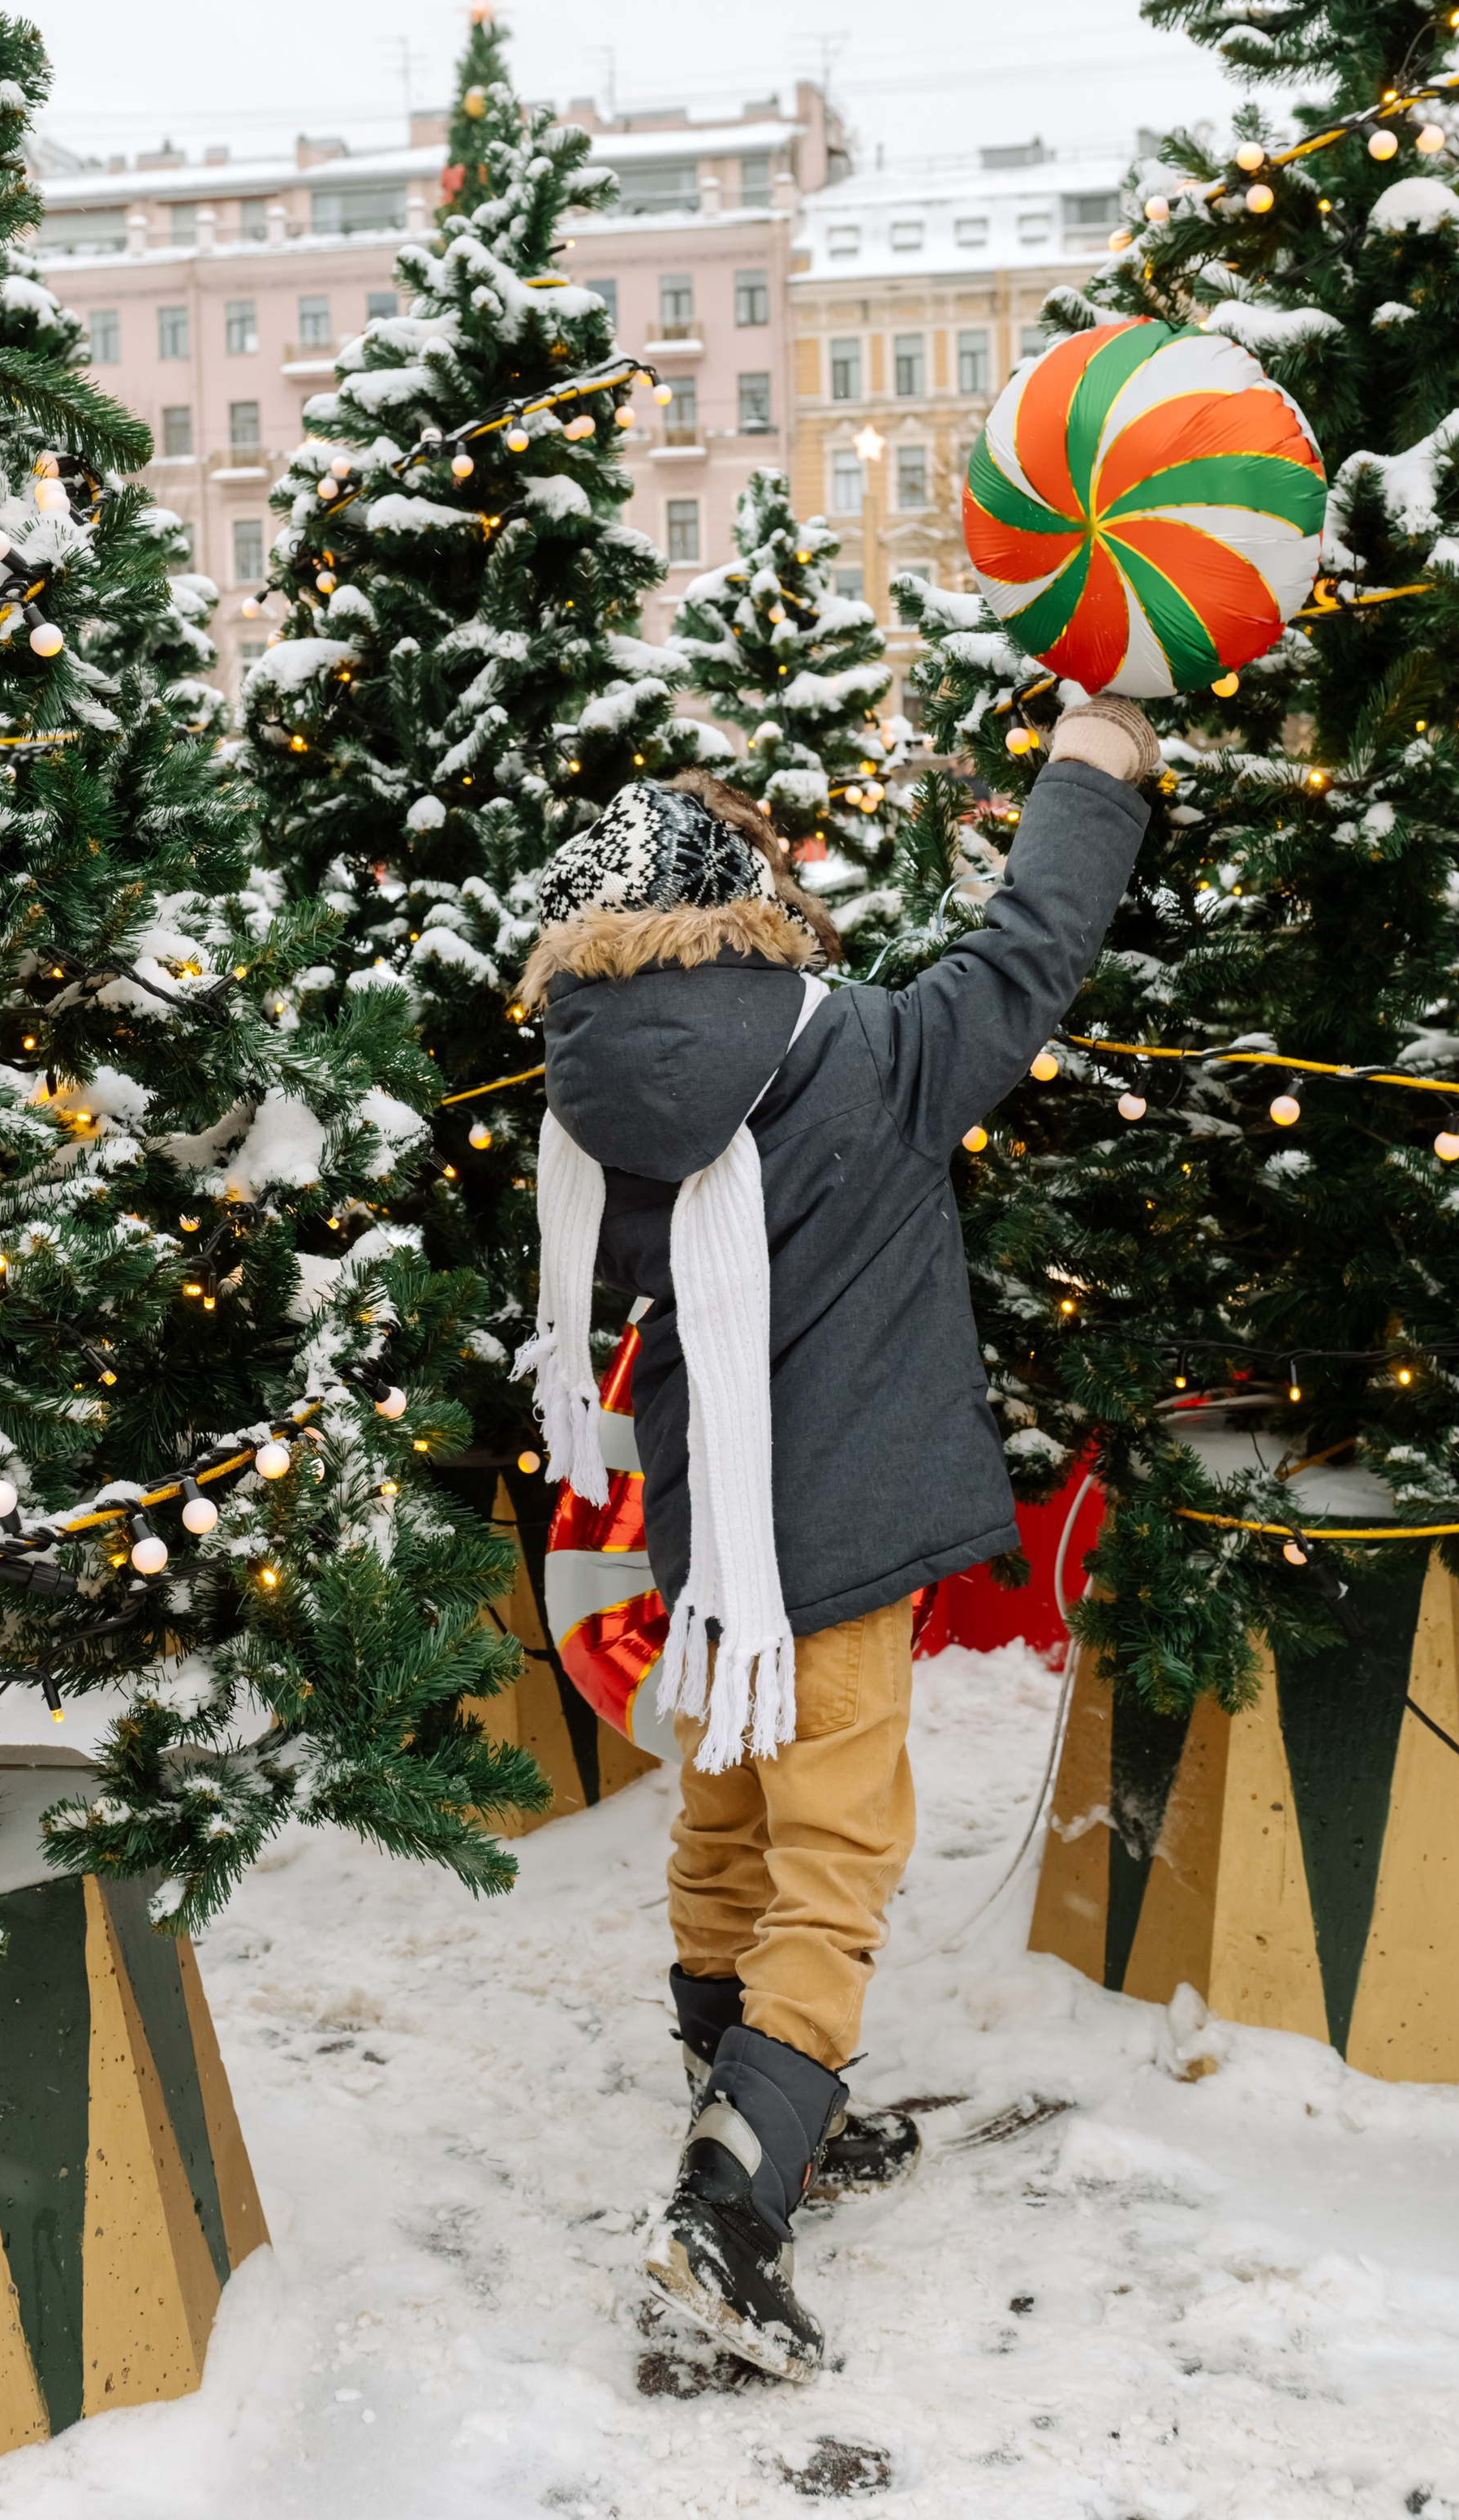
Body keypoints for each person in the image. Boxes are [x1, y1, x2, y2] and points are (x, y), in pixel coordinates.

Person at [513, 692, 1159, 2379]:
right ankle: (732, 2203)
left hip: (708, 1526)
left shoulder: (589, 1096)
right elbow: (1031, 946)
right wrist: (1094, 763)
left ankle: (737, 2098)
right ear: (753, 910)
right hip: (842, 1531)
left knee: (727, 1808)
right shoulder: (865, 1055)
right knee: (838, 1853)